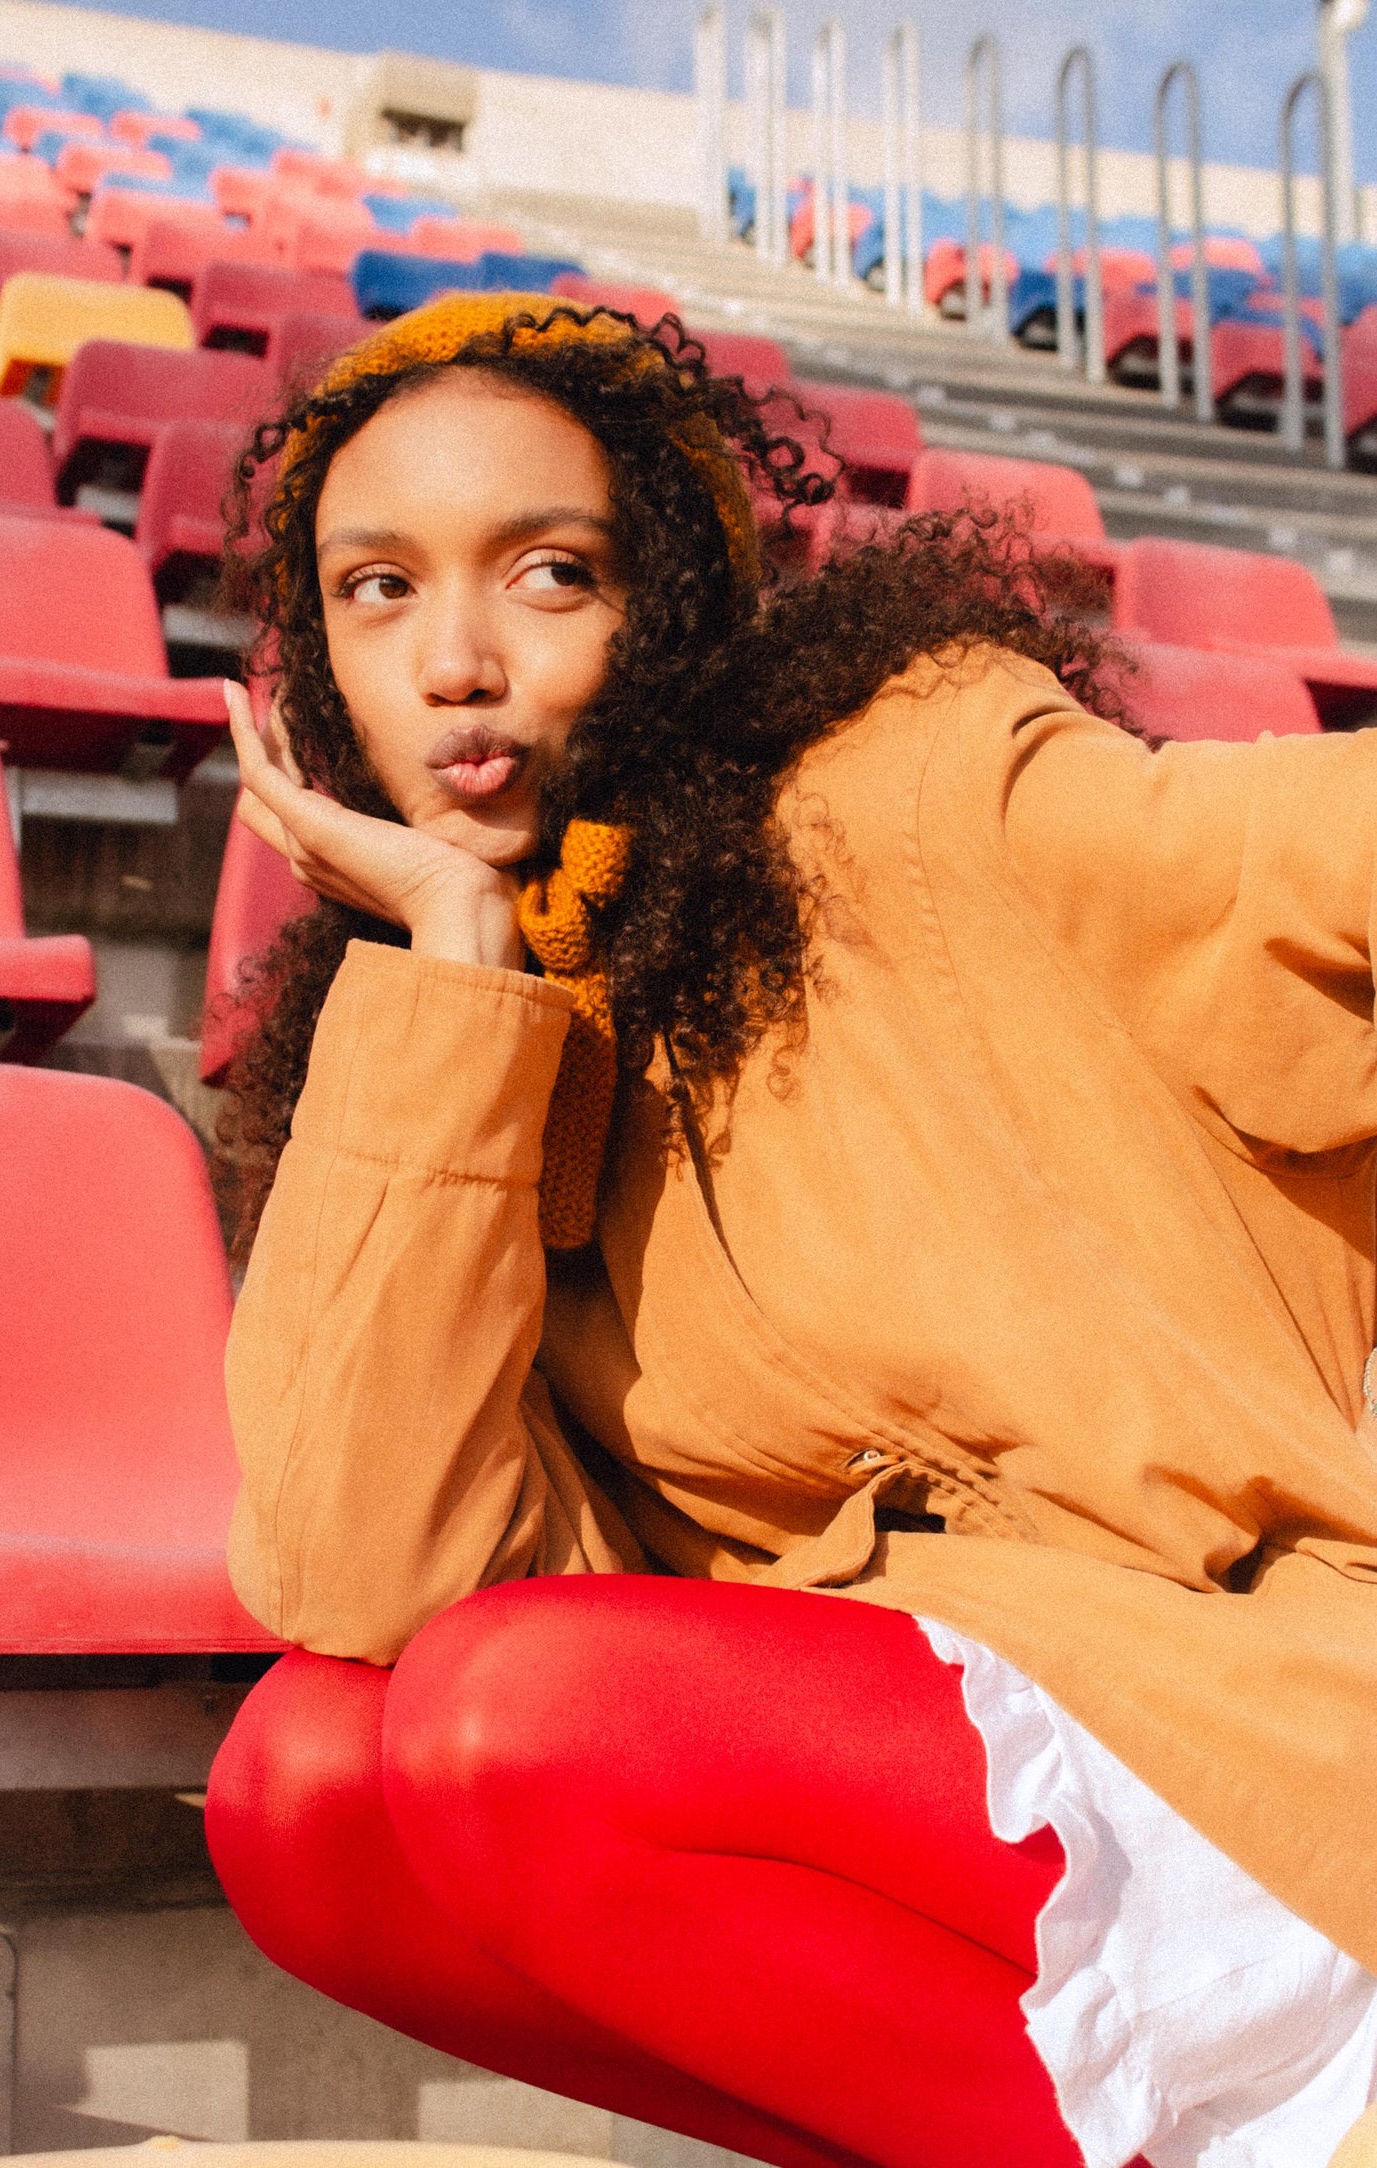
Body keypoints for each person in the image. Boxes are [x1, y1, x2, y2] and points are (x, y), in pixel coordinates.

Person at [204, 292, 1377, 2168]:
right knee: (304, 1788)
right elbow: (360, 1579)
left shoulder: (910, 785)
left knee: (516, 1717)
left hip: (1223, 1735)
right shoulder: (455, 1023)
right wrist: (451, 962)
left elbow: (1294, 858)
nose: (457, 663)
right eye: (378, 590)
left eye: (547, 575)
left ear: (659, 596)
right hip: (888, 1795)